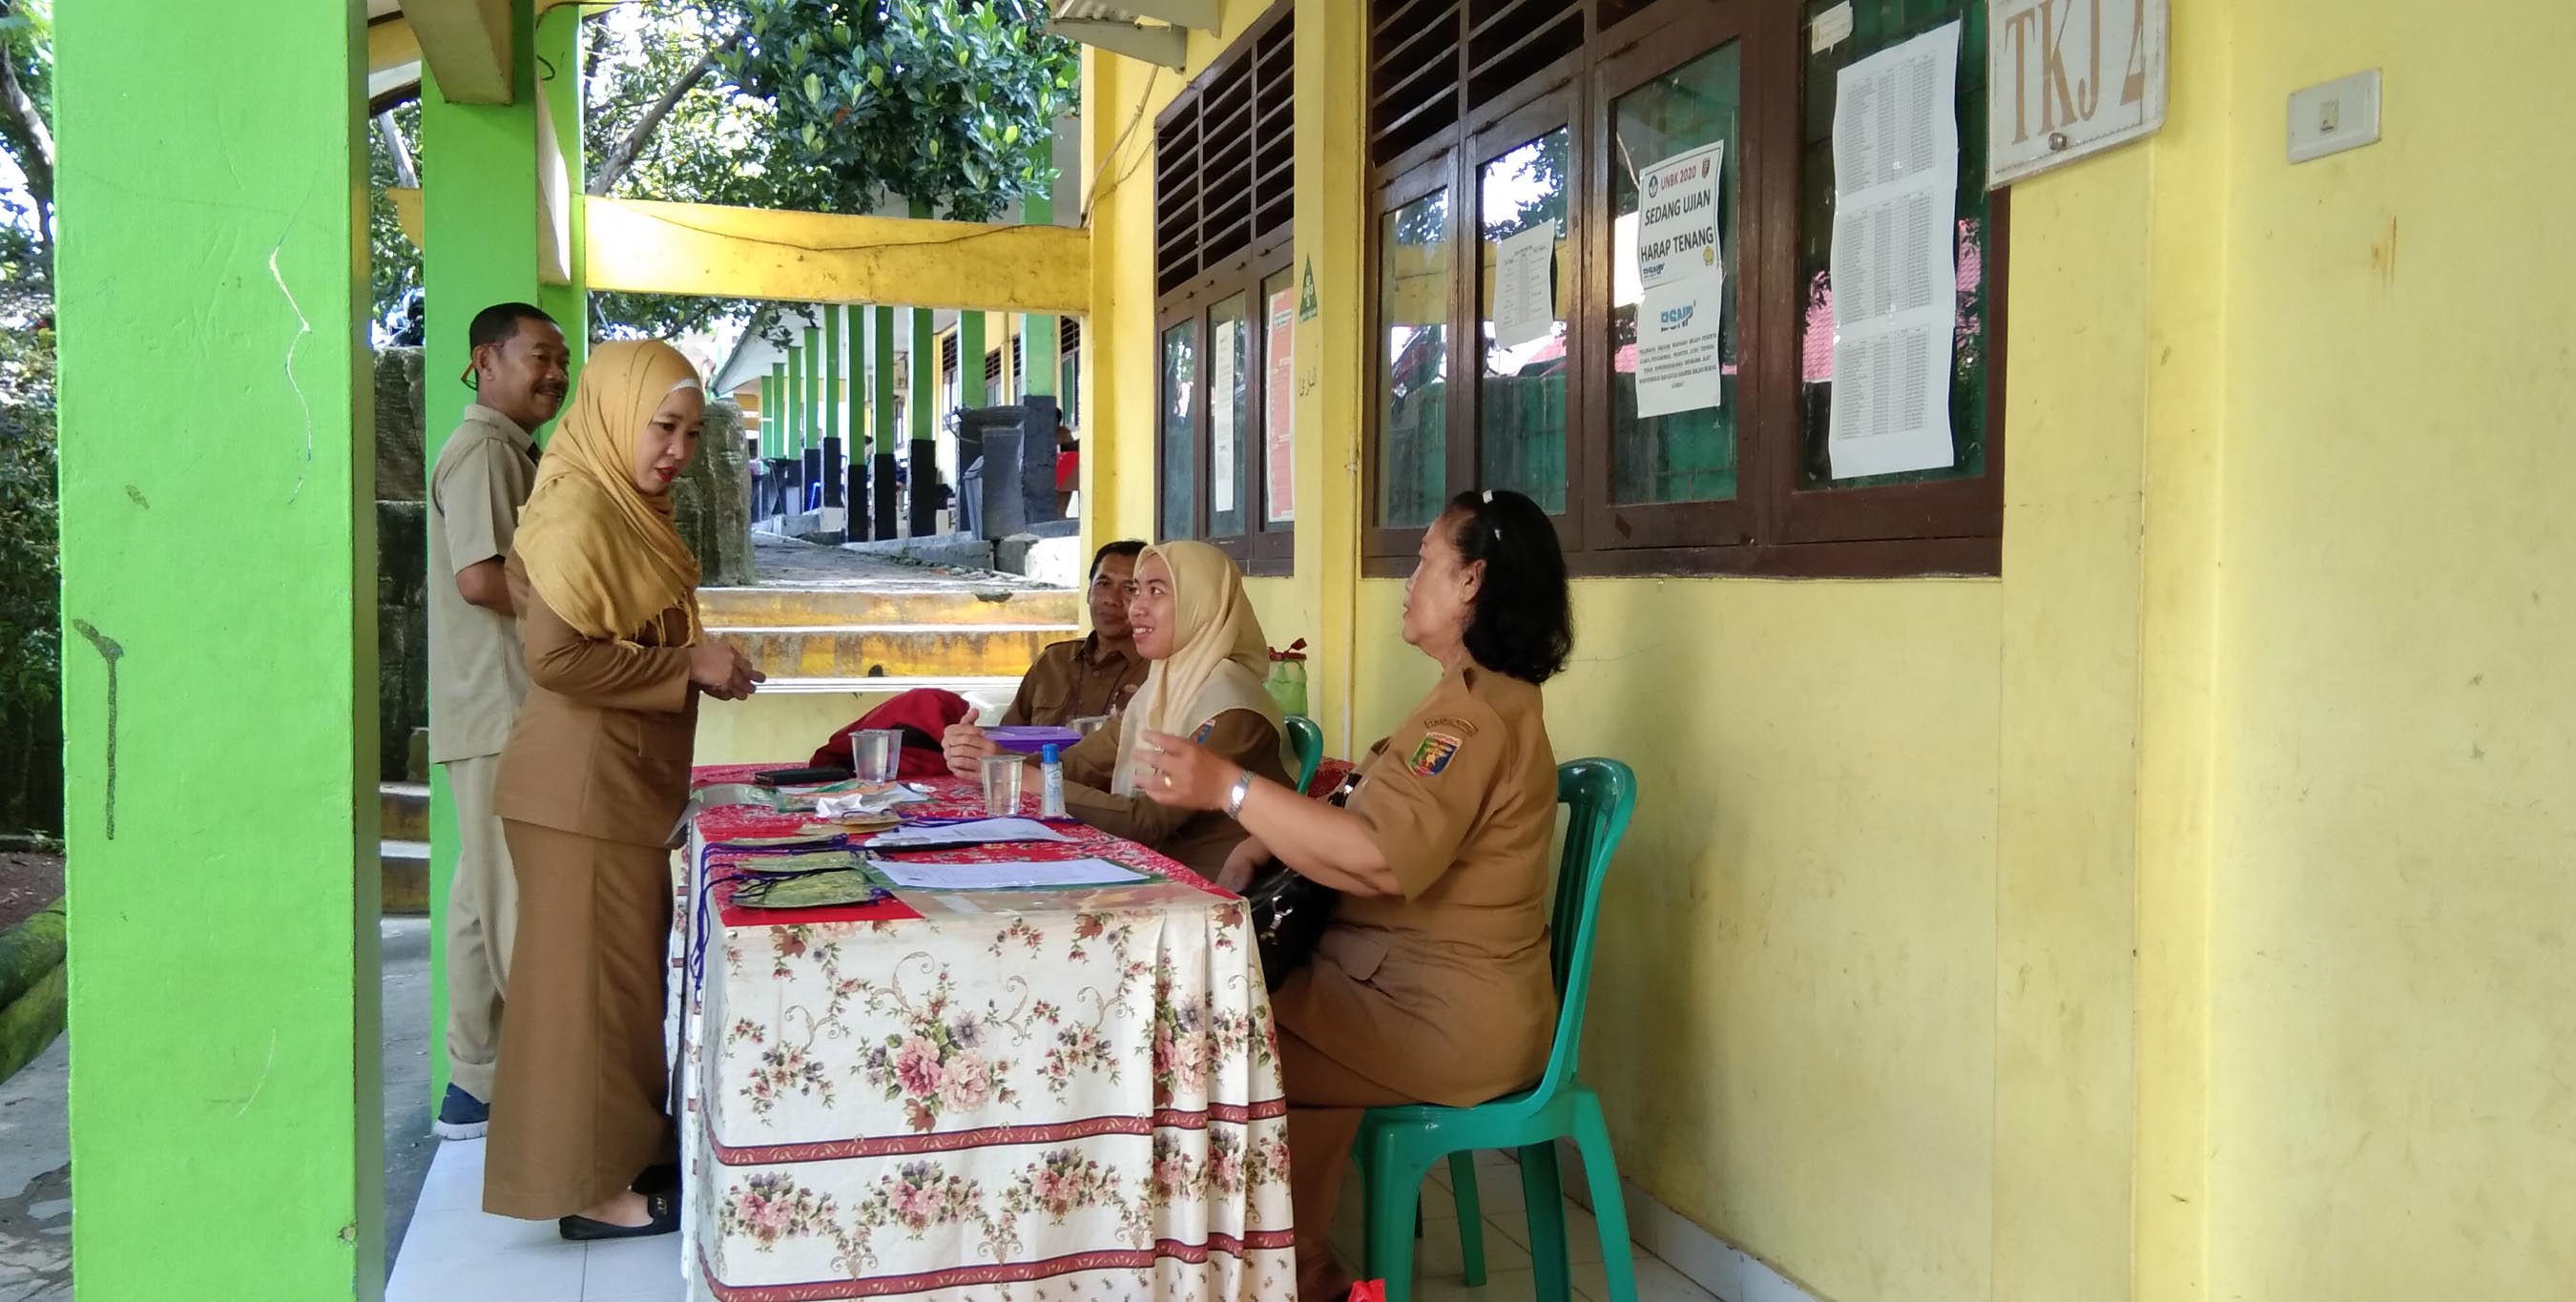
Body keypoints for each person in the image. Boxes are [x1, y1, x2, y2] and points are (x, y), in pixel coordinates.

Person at [1132, 489, 1573, 1302]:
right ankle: (1295, 1267)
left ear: (1472, 581)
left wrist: (1230, 790)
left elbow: (1377, 857)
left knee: (1216, 1053)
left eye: (1427, 561)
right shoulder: (1465, 697)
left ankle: (1271, 1272)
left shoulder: (1472, 720)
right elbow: (1363, 803)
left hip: (1443, 1015)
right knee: (1236, 1023)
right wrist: (1261, 841)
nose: (1410, 579)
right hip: (1400, 988)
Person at [482, 340, 765, 1239]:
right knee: (584, 1001)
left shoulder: (627, 508)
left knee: (618, 991)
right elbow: (558, 656)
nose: (676, 449)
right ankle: (589, 1190)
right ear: (612, 415)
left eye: (688, 430)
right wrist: (690, 663)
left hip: (615, 787)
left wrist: (697, 664)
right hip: (580, 789)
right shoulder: (578, 511)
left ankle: (619, 1149)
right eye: (662, 426)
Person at [424, 301, 569, 1141]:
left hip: (492, 705)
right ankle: (547, 1097)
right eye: (538, 356)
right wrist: (577, 610)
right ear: (486, 360)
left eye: (561, 359)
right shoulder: (482, 449)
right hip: (498, 704)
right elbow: (481, 578)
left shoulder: (508, 450)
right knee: (512, 898)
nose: (554, 373)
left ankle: (474, 1085)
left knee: (480, 898)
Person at [943, 541, 1295, 878]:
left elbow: (1147, 822)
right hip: (1149, 867)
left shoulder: (1231, 707)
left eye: (1156, 591)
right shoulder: (1162, 690)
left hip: (1207, 890)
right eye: (1137, 591)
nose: (1135, 607)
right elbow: (1079, 763)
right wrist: (992, 759)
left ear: (1200, 605)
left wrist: (1031, 782)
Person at [999, 540, 1149, 727]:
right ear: (1088, 592)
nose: (1111, 599)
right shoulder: (1052, 661)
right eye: (1103, 584)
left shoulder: (1157, 671)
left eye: (1129, 589)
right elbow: (1008, 737)